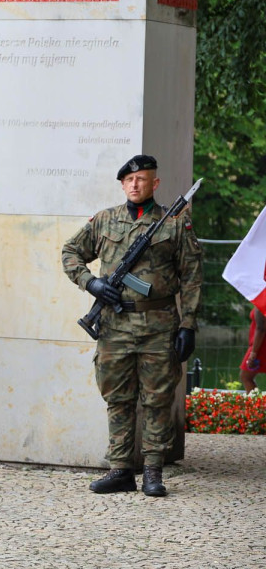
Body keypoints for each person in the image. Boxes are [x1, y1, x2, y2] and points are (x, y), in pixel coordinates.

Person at [62, 154, 203, 497]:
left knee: (157, 399)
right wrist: (92, 283)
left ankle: (153, 471)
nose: (135, 184)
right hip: (115, 324)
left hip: (159, 325)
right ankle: (120, 469)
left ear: (155, 183)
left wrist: (188, 325)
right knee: (118, 398)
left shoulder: (174, 223)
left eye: (142, 179)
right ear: (123, 184)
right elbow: (70, 252)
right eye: (129, 180)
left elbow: (192, 276)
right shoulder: (104, 220)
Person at [239, 306, 266, 392]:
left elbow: (261, 328)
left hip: (261, 345)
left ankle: (256, 400)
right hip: (260, 344)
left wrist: (253, 352)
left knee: (246, 377)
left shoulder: (262, 303)